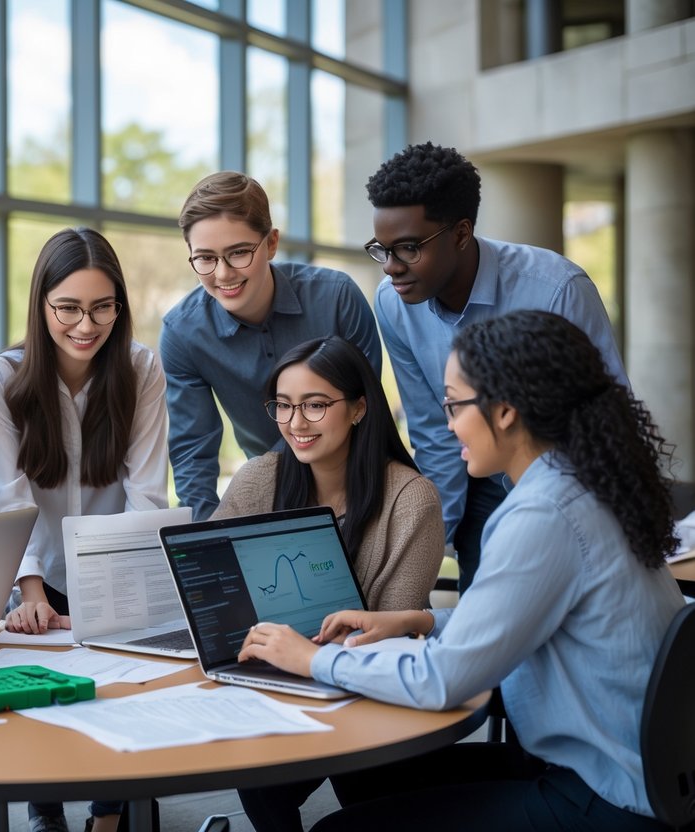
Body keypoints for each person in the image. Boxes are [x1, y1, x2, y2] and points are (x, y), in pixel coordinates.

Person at [238, 310, 685, 832]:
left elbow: (443, 679)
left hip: (601, 798)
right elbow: (515, 618)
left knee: (339, 829)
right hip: (637, 773)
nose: (448, 425)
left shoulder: (542, 516)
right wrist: (420, 622)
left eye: (453, 405)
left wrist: (312, 659)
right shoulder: (582, 487)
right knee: (374, 781)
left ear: (506, 411)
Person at [366, 142, 627, 591]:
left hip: (569, 490)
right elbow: (433, 429)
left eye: (408, 248)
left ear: (462, 233)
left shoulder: (556, 290)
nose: (391, 268)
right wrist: (431, 546)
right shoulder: (393, 305)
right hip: (479, 489)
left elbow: (608, 417)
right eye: (382, 249)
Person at [213, 336, 444, 832]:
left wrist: (306, 652)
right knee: (256, 773)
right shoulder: (259, 479)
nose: (296, 423)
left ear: (359, 408)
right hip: (266, 681)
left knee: (358, 797)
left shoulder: (411, 499)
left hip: (367, 694)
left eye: (315, 405)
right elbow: (213, 587)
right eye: (284, 405)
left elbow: (387, 630)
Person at [0, 227, 168, 832]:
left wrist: (122, 589)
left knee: (116, 692)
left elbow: (145, 491)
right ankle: (47, 815)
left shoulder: (140, 368)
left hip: (119, 561)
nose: (86, 325)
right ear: (41, 305)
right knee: (44, 693)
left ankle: (111, 816)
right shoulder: (0, 378)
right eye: (68, 308)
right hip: (41, 569)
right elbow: (10, 496)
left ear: (120, 305)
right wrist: (30, 594)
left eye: (102, 307)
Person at [161, 171, 382, 521]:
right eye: (205, 258)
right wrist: (201, 539)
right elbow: (193, 452)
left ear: (272, 243)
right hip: (270, 494)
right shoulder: (182, 333)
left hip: (359, 486)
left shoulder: (338, 298)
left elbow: (368, 411)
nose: (222, 274)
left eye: (238, 253)